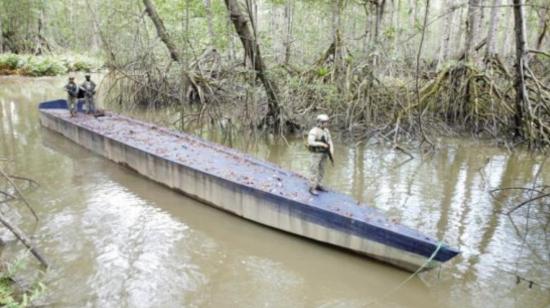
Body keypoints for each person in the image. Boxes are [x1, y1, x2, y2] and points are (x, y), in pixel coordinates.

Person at [307, 114, 334, 195]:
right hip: (316, 153)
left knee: (322, 170)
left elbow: (329, 140)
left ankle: (319, 185)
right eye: (324, 122)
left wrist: (332, 150)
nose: (326, 124)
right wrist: (321, 144)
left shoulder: (326, 131)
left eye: (326, 122)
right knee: (314, 170)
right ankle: (312, 188)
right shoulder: (314, 131)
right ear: (319, 122)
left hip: (324, 153)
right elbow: (310, 142)